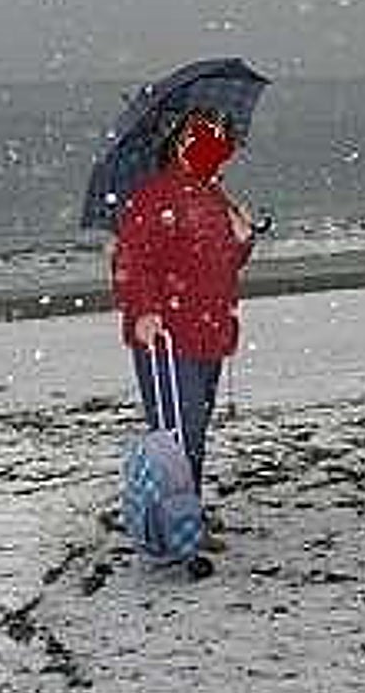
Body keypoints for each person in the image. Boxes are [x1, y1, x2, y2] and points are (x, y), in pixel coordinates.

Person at [112, 107, 256, 552]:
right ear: (181, 143)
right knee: (177, 433)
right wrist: (144, 311)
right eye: (207, 139)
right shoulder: (156, 196)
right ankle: (174, 529)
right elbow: (132, 261)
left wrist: (243, 236)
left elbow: (224, 266)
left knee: (193, 430)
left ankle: (186, 514)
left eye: (221, 141)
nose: (218, 148)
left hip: (210, 330)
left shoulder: (215, 195)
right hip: (167, 336)